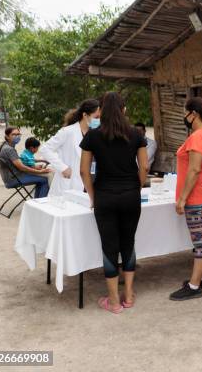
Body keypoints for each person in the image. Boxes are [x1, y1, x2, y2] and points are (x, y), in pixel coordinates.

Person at [79, 92, 148, 314]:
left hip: (105, 197)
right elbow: (144, 168)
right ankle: (128, 295)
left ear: (102, 112)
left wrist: (92, 196)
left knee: (109, 247)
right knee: (128, 243)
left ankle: (113, 301)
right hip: (130, 196)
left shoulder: (93, 135)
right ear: (124, 110)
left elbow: (83, 171)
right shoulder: (136, 134)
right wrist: (135, 188)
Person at [169, 96, 202, 302]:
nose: (184, 116)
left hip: (196, 198)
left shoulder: (198, 137)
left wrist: (182, 198)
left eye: (185, 112)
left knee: (200, 243)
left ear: (193, 114)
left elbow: (194, 169)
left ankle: (194, 285)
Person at [40, 99, 100, 196]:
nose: (99, 121)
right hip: (70, 183)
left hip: (89, 183)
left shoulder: (95, 133)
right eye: (96, 117)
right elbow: (45, 149)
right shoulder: (68, 132)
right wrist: (63, 168)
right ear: (85, 115)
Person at [0, 127, 50, 198]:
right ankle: (39, 204)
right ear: (7, 136)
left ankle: (36, 202)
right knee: (44, 180)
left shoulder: (5, 146)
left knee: (40, 179)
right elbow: (22, 168)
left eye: (18, 134)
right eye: (13, 134)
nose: (17, 136)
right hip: (14, 179)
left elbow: (20, 163)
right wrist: (40, 171)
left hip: (10, 177)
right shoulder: (9, 149)